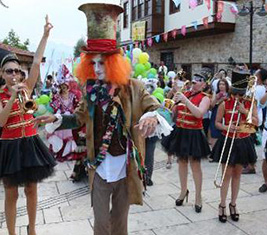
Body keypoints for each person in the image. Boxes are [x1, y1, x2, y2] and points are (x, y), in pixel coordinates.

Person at [37, 4, 171, 234]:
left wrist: (153, 117)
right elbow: (78, 118)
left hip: (125, 167)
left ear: (113, 63)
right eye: (93, 63)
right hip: (98, 167)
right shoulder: (90, 92)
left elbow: (161, 109)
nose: (97, 68)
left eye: (102, 63)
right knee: (100, 224)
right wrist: (57, 118)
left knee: (120, 224)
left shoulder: (133, 88)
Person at [0, 16, 55, 235]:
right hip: (9, 146)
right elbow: (1, 120)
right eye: (9, 71)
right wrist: (12, 97)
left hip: (30, 142)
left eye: (16, 71)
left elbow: (35, 62)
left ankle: (32, 230)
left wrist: (44, 36)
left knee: (32, 190)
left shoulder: (28, 88)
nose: (14, 74)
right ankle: (12, 233)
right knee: (11, 193)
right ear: (2, 74)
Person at [161, 72, 212, 213]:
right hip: (181, 132)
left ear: (204, 84)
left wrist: (185, 100)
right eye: (194, 80)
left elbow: (199, 114)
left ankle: (198, 197)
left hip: (194, 134)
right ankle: (183, 191)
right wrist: (172, 99)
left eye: (198, 81)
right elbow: (173, 112)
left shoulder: (205, 98)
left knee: (195, 165)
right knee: (181, 162)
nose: (195, 82)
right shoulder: (186, 93)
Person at [212, 70, 258, 223]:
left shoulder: (250, 104)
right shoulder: (224, 103)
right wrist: (226, 127)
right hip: (228, 140)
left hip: (243, 141)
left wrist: (245, 112)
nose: (237, 98)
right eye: (235, 94)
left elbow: (255, 124)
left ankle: (233, 204)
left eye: (240, 95)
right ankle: (222, 205)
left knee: (237, 175)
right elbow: (217, 123)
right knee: (226, 175)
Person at [209, 79, 230, 148]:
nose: (221, 86)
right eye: (220, 84)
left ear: (226, 86)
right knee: (215, 133)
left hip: (226, 114)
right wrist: (217, 98)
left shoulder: (229, 94)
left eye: (223, 84)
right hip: (215, 113)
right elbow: (211, 105)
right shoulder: (216, 93)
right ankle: (214, 152)